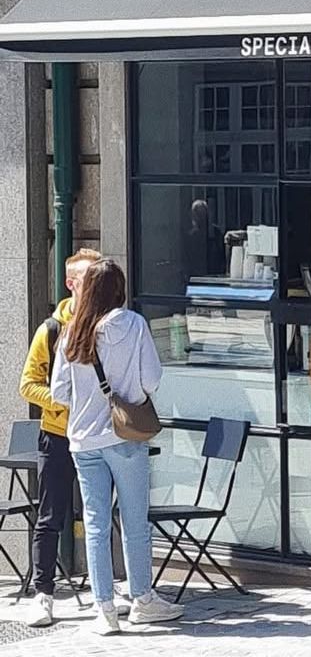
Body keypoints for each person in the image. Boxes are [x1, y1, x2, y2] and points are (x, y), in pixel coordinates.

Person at [50, 258, 183, 636]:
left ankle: (104, 608)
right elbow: (151, 380)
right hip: (124, 438)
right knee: (134, 521)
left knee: (94, 524)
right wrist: (127, 395)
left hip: (82, 438)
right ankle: (141, 598)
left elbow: (59, 391)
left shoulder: (73, 331)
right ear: (119, 289)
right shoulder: (135, 325)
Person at [19, 248, 103, 627]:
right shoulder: (51, 330)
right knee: (50, 515)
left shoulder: (108, 325)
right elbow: (27, 384)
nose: (97, 283)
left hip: (100, 434)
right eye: (89, 277)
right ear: (72, 283)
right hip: (58, 434)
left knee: (100, 512)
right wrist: (59, 402)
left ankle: (107, 589)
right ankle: (43, 593)